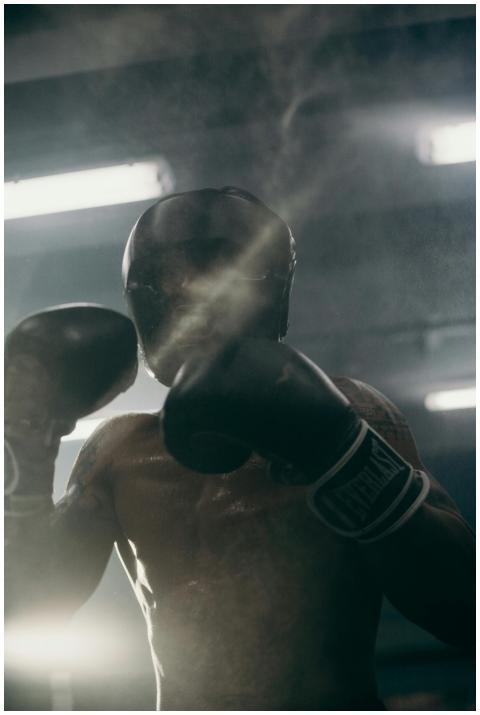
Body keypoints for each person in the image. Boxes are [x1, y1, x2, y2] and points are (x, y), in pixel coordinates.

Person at [5, 187, 475, 710]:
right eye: (170, 280)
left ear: (269, 291)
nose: (196, 303)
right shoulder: (118, 453)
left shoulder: (353, 412)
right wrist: (26, 451)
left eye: (218, 279)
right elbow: (27, 607)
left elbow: (463, 612)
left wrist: (341, 452)